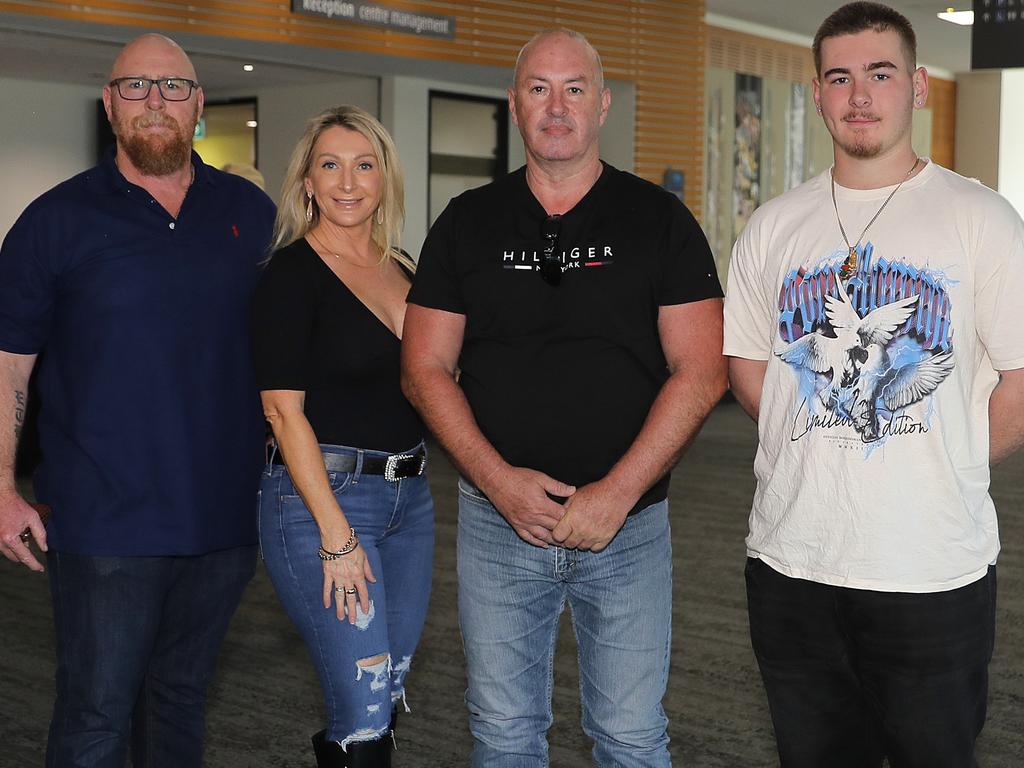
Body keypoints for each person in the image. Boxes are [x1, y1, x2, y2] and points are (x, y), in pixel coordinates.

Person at [402, 28, 726, 767]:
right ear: (515, 105)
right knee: (504, 733)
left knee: (631, 736)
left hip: (630, 528)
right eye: (539, 89)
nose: (556, 106)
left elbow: (702, 372)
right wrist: (499, 484)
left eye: (574, 88)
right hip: (497, 527)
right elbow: (424, 368)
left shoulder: (660, 222)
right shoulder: (466, 223)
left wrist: (616, 493)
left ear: (602, 103)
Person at [723, 3, 1024, 766]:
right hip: (793, 563)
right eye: (841, 77)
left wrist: (942, 458)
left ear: (917, 86)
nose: (861, 95)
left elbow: (1020, 379)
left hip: (929, 568)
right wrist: (830, 424)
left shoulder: (980, 218)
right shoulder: (774, 226)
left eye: (881, 74)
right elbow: (752, 369)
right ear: (819, 93)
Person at [0, 33, 275, 767]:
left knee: (180, 707)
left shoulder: (250, 212)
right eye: (136, 87)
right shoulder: (56, 220)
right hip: (104, 526)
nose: (156, 102)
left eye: (173, 87)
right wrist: (0, 488)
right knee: (96, 715)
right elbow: (9, 365)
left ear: (199, 104)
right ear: (109, 104)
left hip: (224, 524)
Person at [251, 105, 433, 767]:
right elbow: (281, 413)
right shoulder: (291, 276)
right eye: (329, 164)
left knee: (381, 693)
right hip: (323, 504)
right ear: (306, 182)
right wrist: (336, 536)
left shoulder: (403, 267)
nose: (347, 181)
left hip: (409, 504)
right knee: (363, 708)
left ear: (385, 180)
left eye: (364, 165)